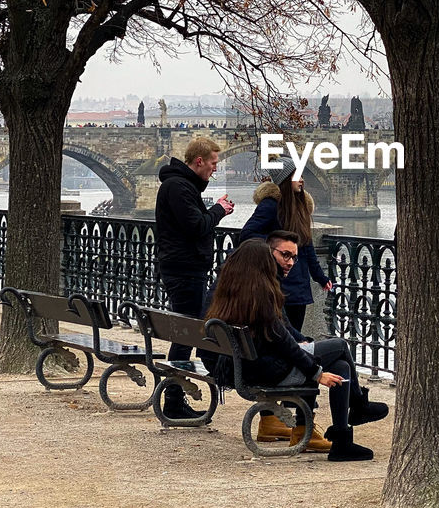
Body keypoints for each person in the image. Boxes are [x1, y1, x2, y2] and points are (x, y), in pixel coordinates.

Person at [208, 239, 383, 461]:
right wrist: (316, 372)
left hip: (245, 367)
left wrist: (307, 351)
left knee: (339, 365)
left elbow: (281, 338)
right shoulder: (261, 297)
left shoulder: (230, 292)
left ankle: (342, 441)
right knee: (339, 346)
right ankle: (358, 405)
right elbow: (285, 345)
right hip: (268, 371)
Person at [155, 136, 234, 418]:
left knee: (187, 331)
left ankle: (174, 397)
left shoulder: (182, 186)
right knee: (186, 332)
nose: (215, 168)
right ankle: (173, 400)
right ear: (198, 161)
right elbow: (196, 226)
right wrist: (219, 211)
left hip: (186, 268)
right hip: (184, 270)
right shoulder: (178, 187)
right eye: (213, 163)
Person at [238, 156, 332, 332]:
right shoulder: (271, 205)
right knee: (281, 335)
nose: (302, 179)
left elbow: (307, 245)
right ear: (286, 179)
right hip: (278, 282)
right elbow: (247, 234)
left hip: (299, 285)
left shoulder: (300, 206)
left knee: (295, 332)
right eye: (297, 175)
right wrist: (275, 249)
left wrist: (320, 277)